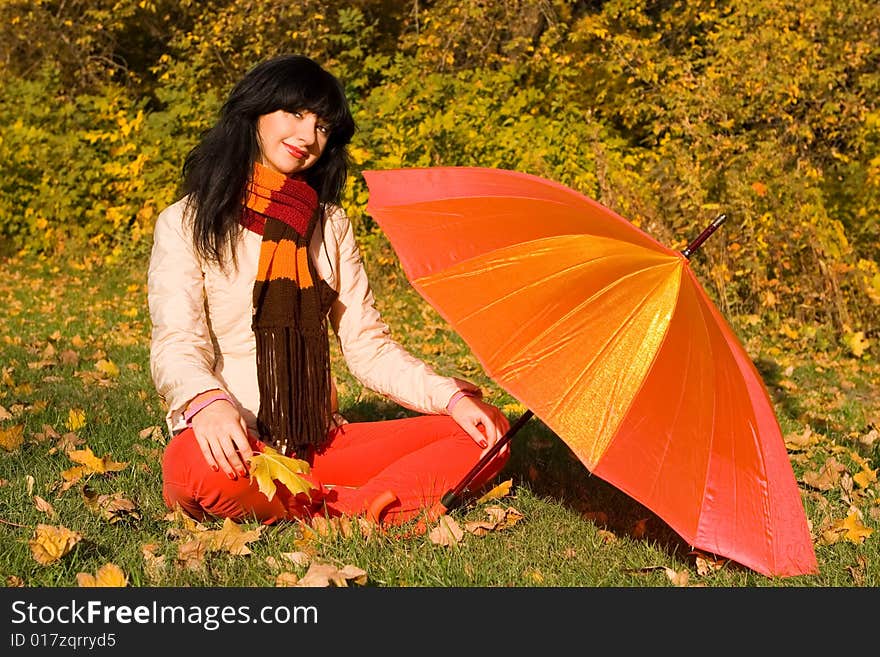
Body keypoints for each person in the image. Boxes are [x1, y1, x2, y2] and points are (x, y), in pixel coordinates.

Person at [147, 54, 510, 527]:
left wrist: (450, 398)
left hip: (317, 442)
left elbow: (367, 347)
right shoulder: (188, 221)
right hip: (238, 442)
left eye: (322, 127)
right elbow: (177, 340)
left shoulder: (330, 226)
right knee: (194, 468)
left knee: (488, 433)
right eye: (295, 113)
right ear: (256, 111)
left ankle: (339, 510)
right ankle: (372, 504)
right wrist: (207, 403)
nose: (307, 136)